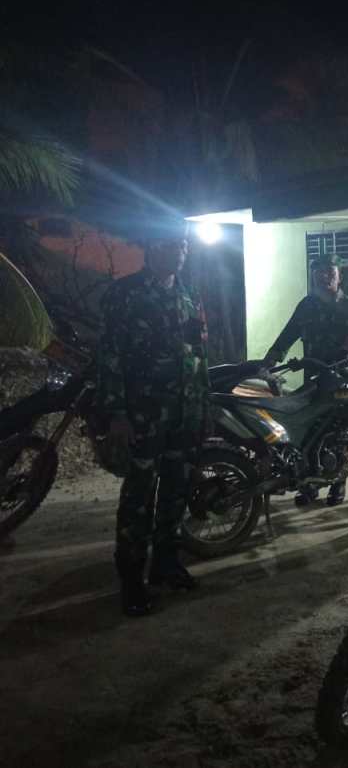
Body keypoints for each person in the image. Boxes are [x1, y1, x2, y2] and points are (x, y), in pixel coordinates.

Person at [98, 227, 209, 617]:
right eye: (170, 245)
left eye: (183, 245)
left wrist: (203, 406)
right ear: (151, 248)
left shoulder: (188, 293)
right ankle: (132, 578)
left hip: (184, 410)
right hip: (143, 413)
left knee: (177, 488)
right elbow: (109, 356)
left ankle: (166, 562)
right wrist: (116, 412)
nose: (180, 251)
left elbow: (199, 352)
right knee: (139, 495)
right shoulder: (125, 294)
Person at [263, 254, 348, 506]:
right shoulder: (306, 306)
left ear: (339, 276)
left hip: (345, 377)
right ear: (313, 277)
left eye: (330, 272)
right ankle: (309, 484)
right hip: (315, 378)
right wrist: (268, 362)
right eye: (319, 272)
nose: (325, 277)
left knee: (341, 432)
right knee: (310, 430)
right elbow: (287, 336)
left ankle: (339, 481)